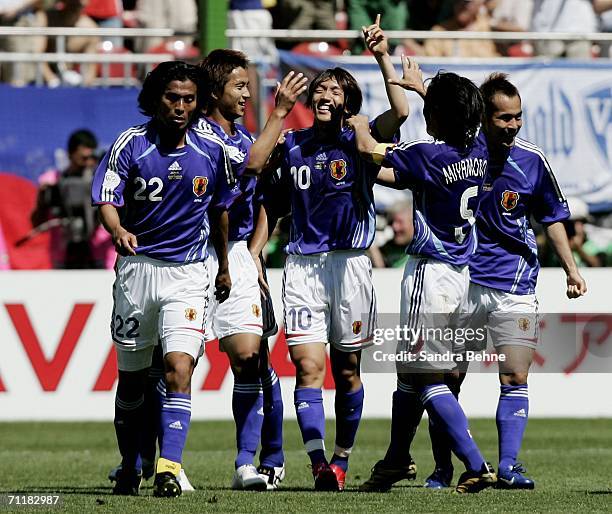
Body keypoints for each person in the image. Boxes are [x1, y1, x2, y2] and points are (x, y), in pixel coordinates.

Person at [253, 20, 411, 491]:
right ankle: (319, 462)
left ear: (347, 102)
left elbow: (400, 113)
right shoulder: (293, 144)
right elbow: (262, 181)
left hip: (350, 265)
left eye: (334, 91)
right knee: (306, 366)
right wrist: (257, 250)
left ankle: (342, 458)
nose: (324, 95)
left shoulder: (359, 138)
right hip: (303, 266)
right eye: (319, 89)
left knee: (346, 370)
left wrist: (382, 56)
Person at [350, 60, 497, 494]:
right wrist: (422, 91)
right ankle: (396, 459)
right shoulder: (481, 150)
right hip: (462, 277)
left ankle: (474, 462)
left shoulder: (428, 153)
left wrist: (358, 122)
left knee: (423, 372)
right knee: (409, 370)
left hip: (429, 275)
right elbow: (394, 171)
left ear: (436, 117)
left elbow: (367, 150)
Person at [91, 60, 234, 497]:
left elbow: (220, 210)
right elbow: (107, 197)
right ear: (156, 99)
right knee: (132, 380)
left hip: (188, 273)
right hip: (138, 270)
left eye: (189, 99)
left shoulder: (211, 149)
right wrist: (116, 229)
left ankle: (169, 469)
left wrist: (224, 265)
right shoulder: (130, 145)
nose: (181, 106)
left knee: (178, 368)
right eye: (173, 98)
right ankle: (131, 464)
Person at [466, 73, 587, 488]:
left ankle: (509, 466)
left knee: (515, 376)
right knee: (447, 379)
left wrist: (570, 269)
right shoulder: (460, 152)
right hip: (462, 279)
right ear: (484, 116)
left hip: (514, 283)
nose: (513, 126)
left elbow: (551, 216)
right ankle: (448, 467)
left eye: (518, 118)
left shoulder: (532, 159)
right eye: (504, 119)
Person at [197, 48, 307, 490]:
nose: (247, 95)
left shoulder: (248, 138)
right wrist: (279, 114)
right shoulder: (198, 136)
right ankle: (146, 461)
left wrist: (256, 251)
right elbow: (250, 166)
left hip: (237, 257)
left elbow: (268, 200)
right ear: (214, 91)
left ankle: (256, 460)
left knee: (250, 357)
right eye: (239, 86)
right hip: (187, 257)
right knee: (165, 366)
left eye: (248, 86)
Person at [31, 128, 113, 269]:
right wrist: (42, 201)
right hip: (63, 257)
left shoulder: (103, 183)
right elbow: (36, 223)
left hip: (99, 257)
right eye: (83, 158)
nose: (88, 163)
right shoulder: (52, 180)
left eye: (92, 158)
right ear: (70, 154)